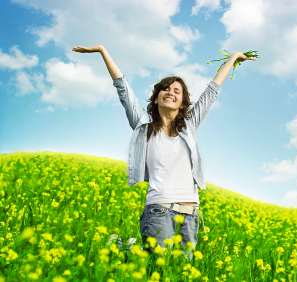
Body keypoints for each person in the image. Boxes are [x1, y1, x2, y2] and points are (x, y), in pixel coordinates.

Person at [72, 44, 256, 261]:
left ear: (182, 102)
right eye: (166, 89)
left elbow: (211, 92)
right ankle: (124, 248)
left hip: (191, 214)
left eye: (177, 91)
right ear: (156, 97)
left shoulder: (189, 125)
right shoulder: (144, 125)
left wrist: (233, 58)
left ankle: (127, 248)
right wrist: (103, 50)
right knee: (158, 268)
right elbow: (123, 89)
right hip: (159, 210)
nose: (171, 93)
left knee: (178, 270)